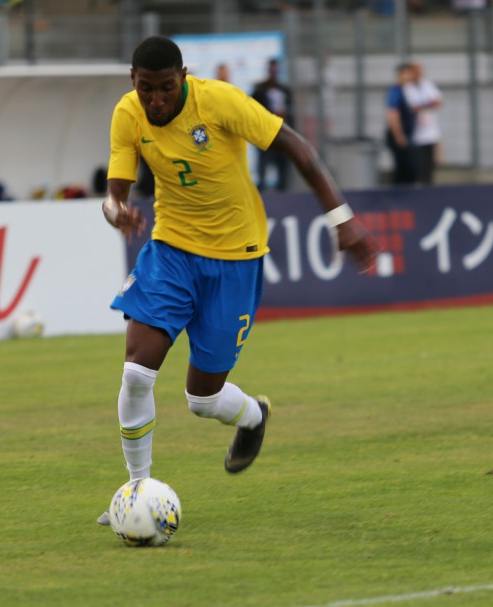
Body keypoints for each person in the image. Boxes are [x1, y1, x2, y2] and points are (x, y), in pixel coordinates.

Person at [95, 36, 376, 526]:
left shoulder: (220, 101)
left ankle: (253, 417)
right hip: (172, 250)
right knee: (137, 371)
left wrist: (342, 219)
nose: (156, 101)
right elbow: (116, 191)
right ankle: (135, 490)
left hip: (236, 259)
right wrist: (115, 211)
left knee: (202, 399)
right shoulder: (128, 113)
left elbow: (298, 148)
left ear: (182, 76)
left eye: (165, 88)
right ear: (132, 82)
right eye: (146, 90)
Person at [251, 58, 295, 191]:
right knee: (263, 167)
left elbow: (291, 110)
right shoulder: (259, 90)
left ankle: (284, 194)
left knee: (283, 167)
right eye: (271, 69)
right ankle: (263, 194)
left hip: (282, 133)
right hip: (265, 133)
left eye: (276, 69)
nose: (273, 72)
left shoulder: (285, 90)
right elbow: (252, 109)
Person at [403, 61, 443, 185]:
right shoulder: (407, 87)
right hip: (416, 132)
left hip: (430, 131)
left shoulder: (427, 84)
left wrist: (424, 105)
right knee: (419, 163)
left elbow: (438, 102)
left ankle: (428, 185)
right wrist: (428, 103)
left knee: (430, 163)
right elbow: (413, 106)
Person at [385, 63, 417, 185]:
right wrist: (399, 135)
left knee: (407, 168)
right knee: (405, 168)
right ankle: (399, 197)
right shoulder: (396, 91)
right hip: (399, 135)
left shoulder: (406, 90)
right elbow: (393, 114)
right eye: (407, 73)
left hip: (406, 134)